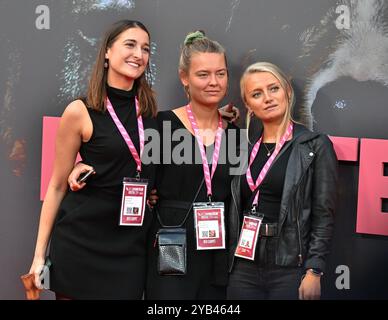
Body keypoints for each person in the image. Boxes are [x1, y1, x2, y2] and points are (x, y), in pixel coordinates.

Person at [28, 20, 158, 299]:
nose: (139, 54)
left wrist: (220, 115)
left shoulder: (151, 113)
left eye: (146, 48)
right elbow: (57, 186)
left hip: (130, 245)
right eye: (130, 44)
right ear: (108, 52)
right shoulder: (80, 110)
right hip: (80, 242)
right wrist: (39, 256)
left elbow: (193, 127)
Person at [227, 62, 338, 300]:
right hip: (243, 263)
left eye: (273, 89)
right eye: (257, 94)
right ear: (248, 105)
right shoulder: (244, 149)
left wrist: (314, 270)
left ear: (287, 91)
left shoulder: (315, 145)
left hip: (289, 265)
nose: (267, 98)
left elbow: (323, 214)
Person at [144, 31, 240, 300]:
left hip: (218, 254)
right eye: (203, 74)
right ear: (184, 77)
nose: (214, 82)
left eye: (220, 74)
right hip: (172, 247)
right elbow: (135, 181)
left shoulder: (234, 135)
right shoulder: (160, 126)